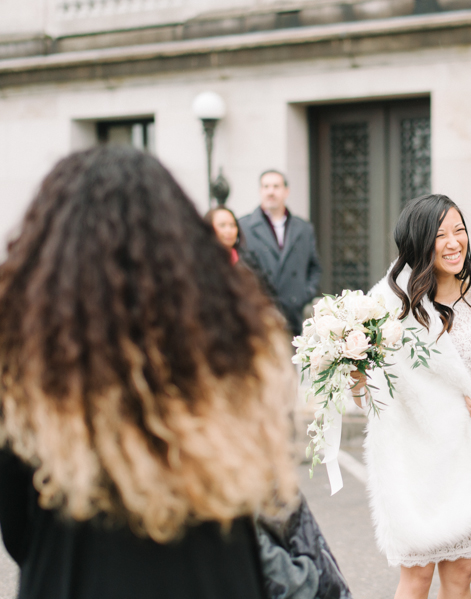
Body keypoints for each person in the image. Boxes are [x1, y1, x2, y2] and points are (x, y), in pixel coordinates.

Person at [0, 146, 302, 599]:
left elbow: (17, 527)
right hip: (212, 572)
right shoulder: (228, 341)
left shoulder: (28, 362)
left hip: (75, 573)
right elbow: (259, 483)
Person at [350, 194, 471, 599]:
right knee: (417, 577)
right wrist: (356, 379)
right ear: (420, 243)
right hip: (415, 461)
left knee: (462, 574)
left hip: (468, 456)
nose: (454, 242)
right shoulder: (387, 309)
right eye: (441, 234)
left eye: (459, 230)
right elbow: (373, 396)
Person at [239, 170, 322, 336]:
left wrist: (304, 294)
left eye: (276, 186)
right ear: (260, 191)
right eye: (266, 186)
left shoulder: (304, 228)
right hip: (260, 313)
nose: (271, 191)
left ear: (286, 191)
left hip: (294, 314)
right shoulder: (243, 226)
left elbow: (315, 267)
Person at [204, 205, 276, 299]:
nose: (229, 230)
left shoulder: (248, 262)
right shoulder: (202, 264)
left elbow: (266, 294)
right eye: (222, 225)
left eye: (232, 225)